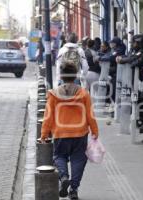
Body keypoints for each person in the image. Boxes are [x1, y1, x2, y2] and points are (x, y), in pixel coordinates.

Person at [40, 61, 99, 200]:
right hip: (80, 133)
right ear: (75, 75)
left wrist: (44, 133)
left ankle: (64, 176)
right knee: (78, 160)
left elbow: (48, 116)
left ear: (61, 75)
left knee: (59, 157)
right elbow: (90, 114)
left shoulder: (54, 94)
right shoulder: (84, 94)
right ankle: (73, 189)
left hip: (61, 133)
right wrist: (95, 131)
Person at [97, 37, 126, 102]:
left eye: (112, 43)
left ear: (116, 44)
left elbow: (111, 57)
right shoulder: (115, 49)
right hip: (114, 72)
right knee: (112, 88)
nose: (111, 44)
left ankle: (116, 104)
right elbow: (109, 55)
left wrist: (100, 58)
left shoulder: (119, 50)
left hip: (117, 72)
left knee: (114, 89)